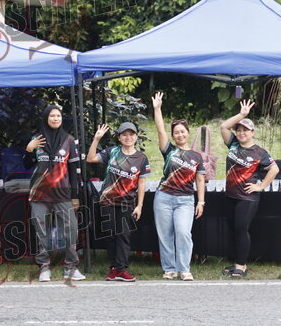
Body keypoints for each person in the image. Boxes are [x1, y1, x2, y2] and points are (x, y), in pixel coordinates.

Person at [23, 105, 85, 282]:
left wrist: (75, 196)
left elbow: (74, 170)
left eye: (58, 115)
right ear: (46, 118)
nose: (56, 118)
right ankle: (44, 268)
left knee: (71, 230)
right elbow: (27, 164)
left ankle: (71, 268)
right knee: (41, 232)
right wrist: (29, 149)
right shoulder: (37, 140)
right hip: (39, 194)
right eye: (52, 116)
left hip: (63, 194)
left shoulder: (69, 140)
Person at [219, 100, 279, 278]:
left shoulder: (259, 152)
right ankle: (236, 262)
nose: (241, 133)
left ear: (253, 132)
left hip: (247, 197)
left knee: (241, 228)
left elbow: (274, 169)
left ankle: (241, 265)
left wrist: (260, 186)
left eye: (245, 130)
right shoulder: (233, 144)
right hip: (230, 195)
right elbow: (223, 126)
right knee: (233, 229)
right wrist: (241, 115)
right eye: (239, 130)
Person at [151, 91, 206, 281]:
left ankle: (184, 269)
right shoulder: (169, 151)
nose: (180, 134)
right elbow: (160, 131)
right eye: (176, 132)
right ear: (173, 136)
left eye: (183, 131)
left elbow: (200, 180)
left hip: (185, 200)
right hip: (164, 197)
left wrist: (201, 202)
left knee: (183, 233)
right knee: (165, 235)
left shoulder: (197, 156)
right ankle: (169, 268)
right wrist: (157, 109)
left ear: (188, 133)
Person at [87, 122, 150, 282]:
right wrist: (96, 139)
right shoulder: (112, 151)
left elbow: (141, 184)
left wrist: (139, 206)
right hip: (107, 201)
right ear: (119, 138)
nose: (128, 137)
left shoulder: (142, 158)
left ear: (136, 137)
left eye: (131, 134)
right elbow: (91, 158)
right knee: (110, 235)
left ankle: (122, 270)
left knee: (124, 235)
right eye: (124, 135)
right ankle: (113, 269)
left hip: (126, 203)